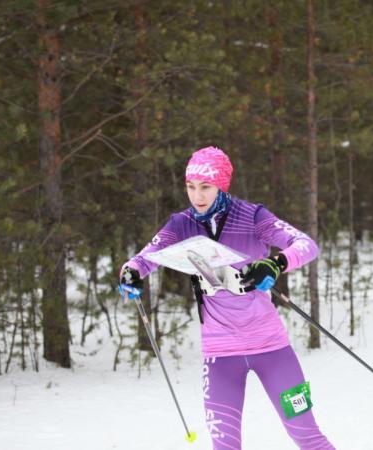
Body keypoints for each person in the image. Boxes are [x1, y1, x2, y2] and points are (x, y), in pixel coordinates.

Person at [120, 146, 336, 449]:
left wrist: (276, 263)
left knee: (306, 435)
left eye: (205, 187)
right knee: (225, 446)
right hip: (220, 355)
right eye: (191, 187)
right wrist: (131, 271)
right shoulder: (182, 223)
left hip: (272, 349)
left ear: (222, 185)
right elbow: (147, 257)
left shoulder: (252, 216)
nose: (197, 196)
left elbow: (306, 244)